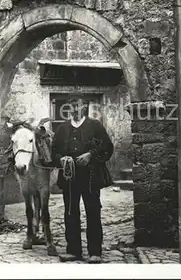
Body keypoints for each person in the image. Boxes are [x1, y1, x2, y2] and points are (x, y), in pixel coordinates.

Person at [51, 95, 114, 264]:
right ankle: (73, 251)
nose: (75, 110)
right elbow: (54, 152)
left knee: (93, 212)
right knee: (70, 213)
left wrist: (91, 155)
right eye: (72, 107)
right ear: (68, 110)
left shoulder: (95, 126)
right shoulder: (62, 128)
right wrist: (61, 159)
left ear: (85, 107)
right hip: (69, 178)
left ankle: (95, 252)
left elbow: (107, 147)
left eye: (78, 107)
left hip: (91, 178)